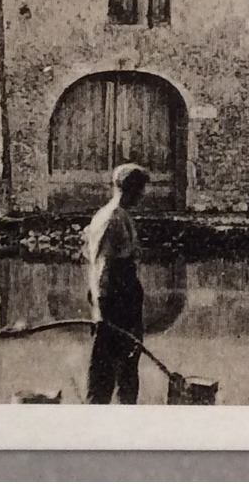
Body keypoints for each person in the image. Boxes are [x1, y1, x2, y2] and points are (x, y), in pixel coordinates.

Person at [82, 163, 149, 404]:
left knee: (128, 369)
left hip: (126, 302)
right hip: (114, 305)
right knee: (104, 374)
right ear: (129, 190)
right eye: (141, 190)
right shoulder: (112, 220)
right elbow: (101, 266)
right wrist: (101, 313)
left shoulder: (121, 216)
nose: (143, 195)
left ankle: (124, 423)